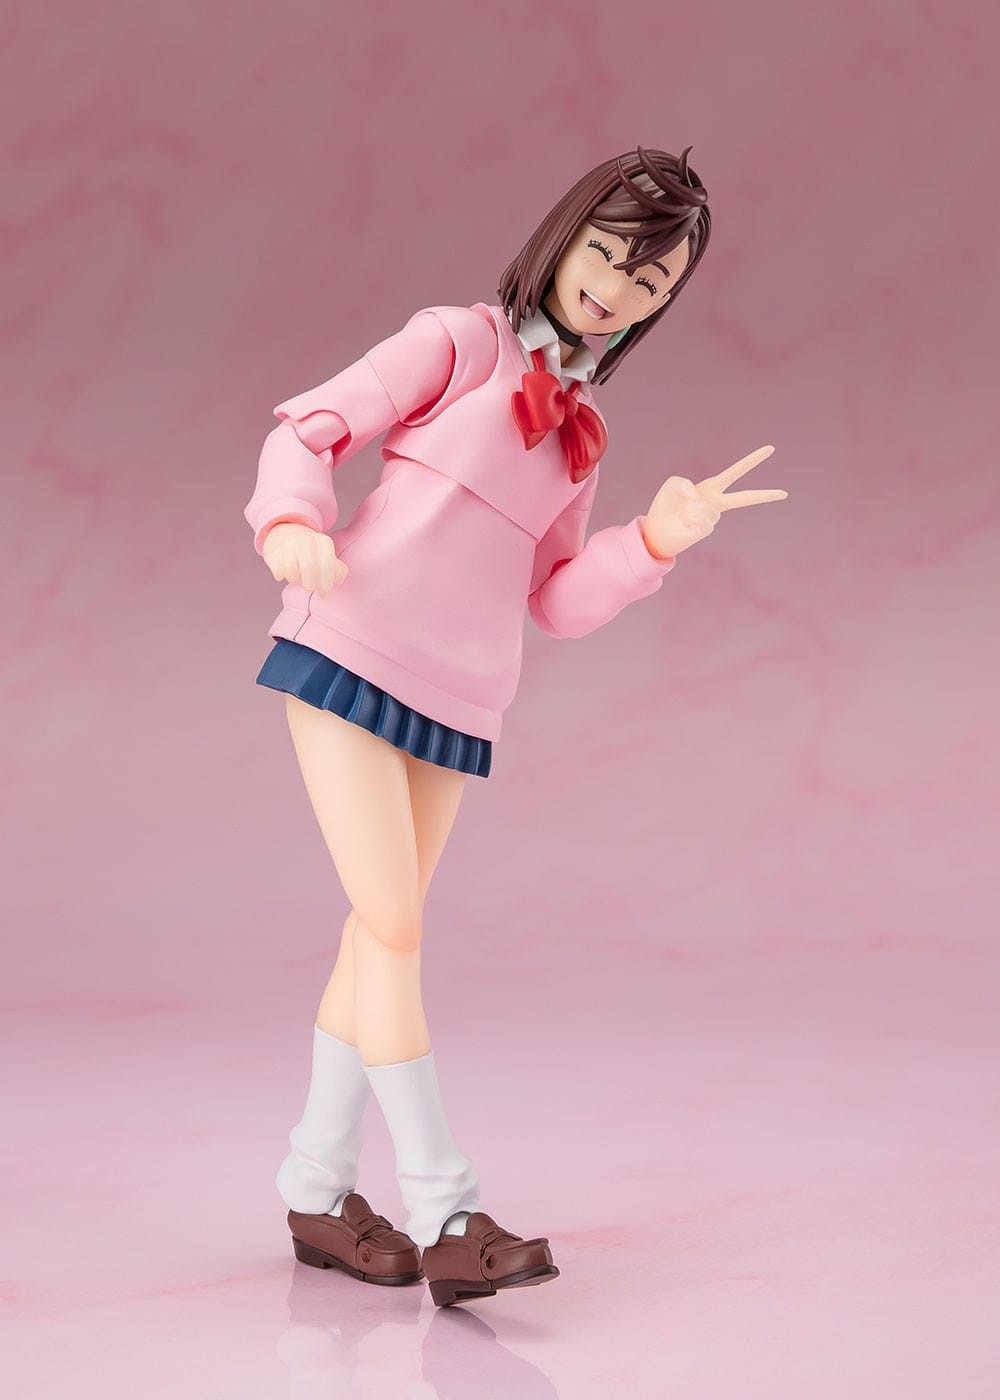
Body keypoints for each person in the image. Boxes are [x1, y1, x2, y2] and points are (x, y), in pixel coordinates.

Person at [243, 145, 788, 1308]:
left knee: (373, 937)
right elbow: (309, 429)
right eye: (609, 253)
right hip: (347, 651)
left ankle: (315, 1186)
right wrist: (290, 519)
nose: (618, 288)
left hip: (459, 700)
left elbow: (555, 601)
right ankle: (447, 1207)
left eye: (651, 280)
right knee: (393, 923)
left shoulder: (581, 429)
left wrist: (653, 542)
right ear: (565, 234)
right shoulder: (457, 341)